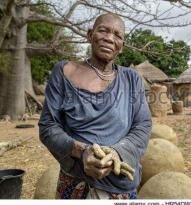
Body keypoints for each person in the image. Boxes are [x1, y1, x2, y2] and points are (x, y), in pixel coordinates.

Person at [38, 13, 152, 199]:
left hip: (120, 184)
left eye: (117, 35)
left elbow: (143, 126)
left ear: (121, 46)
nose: (109, 38)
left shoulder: (131, 79)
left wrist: (116, 153)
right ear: (90, 35)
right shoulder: (64, 72)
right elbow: (48, 127)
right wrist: (82, 152)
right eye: (103, 30)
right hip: (75, 182)